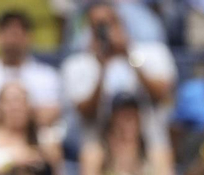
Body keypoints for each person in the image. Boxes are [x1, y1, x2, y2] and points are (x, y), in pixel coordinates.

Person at [62, 0, 174, 131]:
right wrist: (102, 67)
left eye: (110, 23)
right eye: (98, 26)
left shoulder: (153, 52)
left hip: (147, 137)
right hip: (99, 139)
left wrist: (128, 54)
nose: (105, 32)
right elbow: (86, 112)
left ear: (121, 22)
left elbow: (161, 95)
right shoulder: (76, 64)